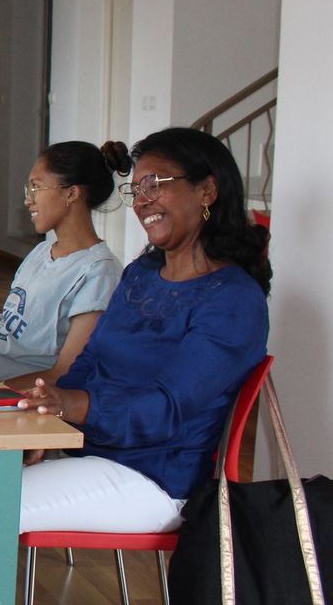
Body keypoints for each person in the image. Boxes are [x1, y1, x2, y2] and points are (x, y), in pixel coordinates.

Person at [17, 128, 271, 534]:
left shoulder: (234, 300)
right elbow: (90, 360)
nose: (141, 201)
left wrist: (71, 406)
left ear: (206, 191)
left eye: (154, 184)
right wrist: (50, 422)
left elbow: (165, 410)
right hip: (92, 451)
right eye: (135, 190)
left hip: (155, 478)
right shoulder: (142, 274)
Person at [0, 141, 122, 385]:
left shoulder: (99, 271)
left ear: (71, 193)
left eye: (36, 187)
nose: (28, 200)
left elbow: (64, 373)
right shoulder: (43, 250)